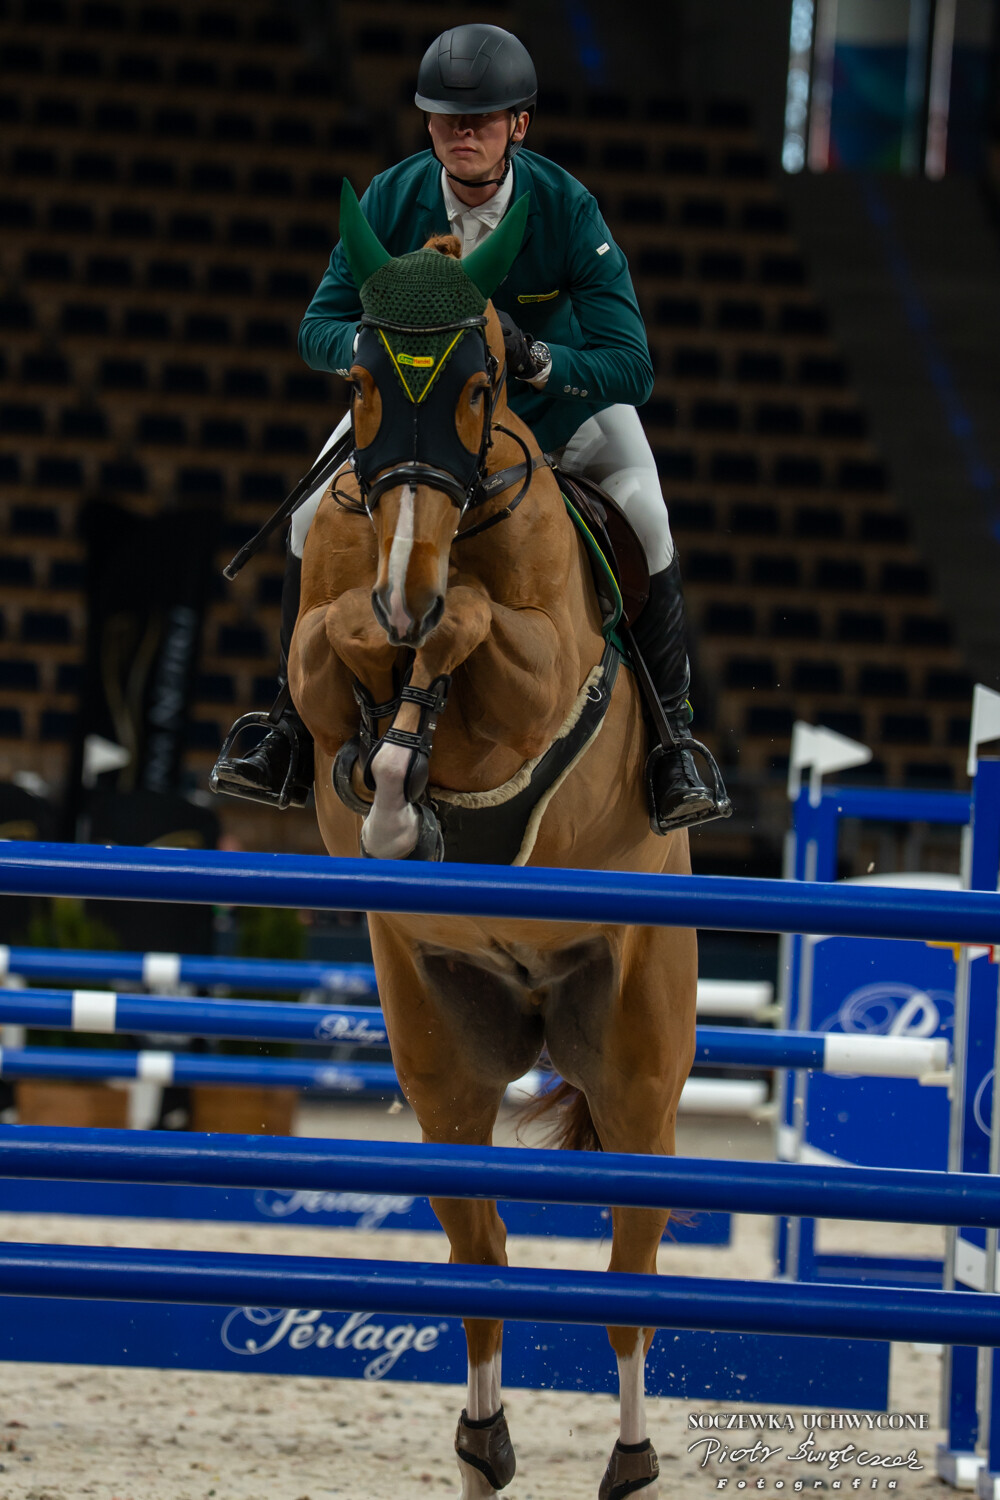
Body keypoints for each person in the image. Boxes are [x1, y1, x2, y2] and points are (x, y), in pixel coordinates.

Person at [214, 22, 730, 833]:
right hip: (422, 421)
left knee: (648, 514)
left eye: (482, 118)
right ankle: (284, 728)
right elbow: (317, 328)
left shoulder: (565, 207)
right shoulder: (390, 199)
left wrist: (538, 359)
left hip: (553, 417)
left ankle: (675, 740)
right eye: (447, 117)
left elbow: (632, 366)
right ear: (427, 122)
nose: (463, 132)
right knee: (311, 514)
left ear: (519, 124)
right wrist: (373, 348)